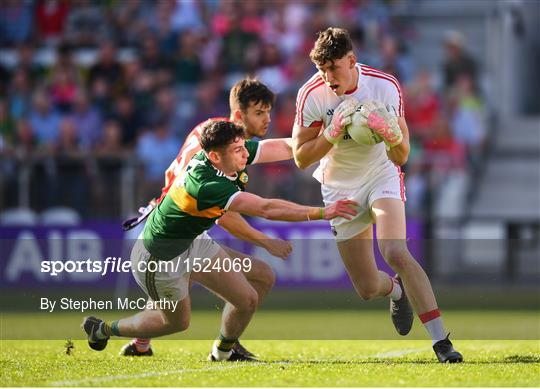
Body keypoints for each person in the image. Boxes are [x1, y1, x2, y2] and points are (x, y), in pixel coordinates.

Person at [82, 120, 358, 362]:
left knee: (253, 289)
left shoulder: (225, 153)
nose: (244, 154)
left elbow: (284, 148)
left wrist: (329, 141)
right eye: (238, 151)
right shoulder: (207, 185)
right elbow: (265, 209)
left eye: (243, 148)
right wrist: (323, 212)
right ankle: (104, 329)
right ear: (214, 156)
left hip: (193, 242)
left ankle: (223, 352)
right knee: (176, 323)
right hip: (158, 259)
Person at [292, 27, 463, 363]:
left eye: (333, 68)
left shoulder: (384, 86)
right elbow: (301, 157)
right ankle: (395, 290)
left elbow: (402, 156)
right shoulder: (311, 94)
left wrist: (391, 135)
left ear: (352, 60)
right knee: (367, 288)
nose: (328, 77)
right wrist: (331, 131)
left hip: (381, 172)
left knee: (395, 250)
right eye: (321, 69)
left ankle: (442, 342)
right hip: (339, 186)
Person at [120, 78, 294, 359]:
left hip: (175, 223)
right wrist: (265, 241)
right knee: (256, 278)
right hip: (176, 230)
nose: (267, 119)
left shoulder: (213, 131)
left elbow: (281, 149)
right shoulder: (220, 149)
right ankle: (225, 347)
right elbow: (225, 216)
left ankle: (141, 343)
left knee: (192, 288)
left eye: (269, 112)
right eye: (259, 112)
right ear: (239, 115)